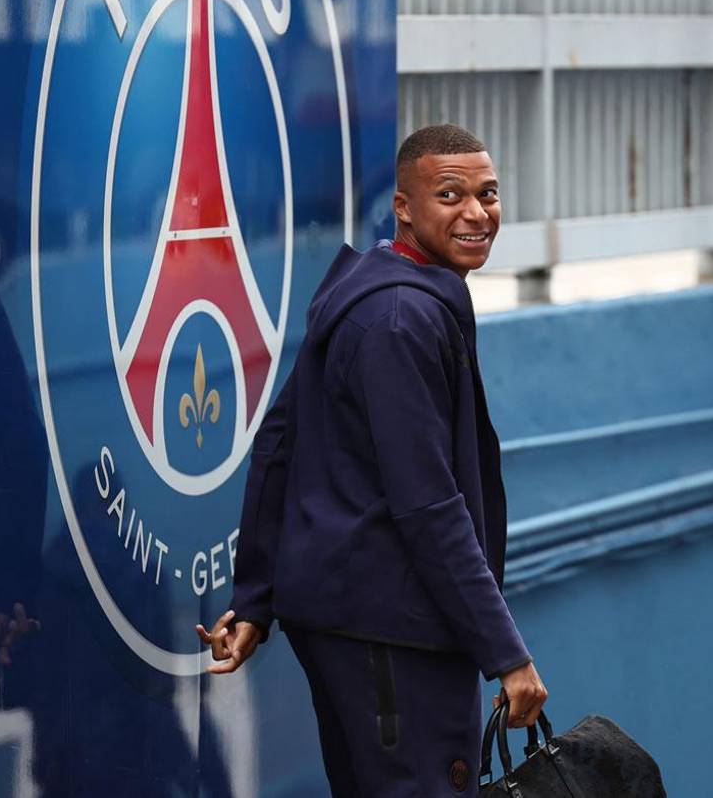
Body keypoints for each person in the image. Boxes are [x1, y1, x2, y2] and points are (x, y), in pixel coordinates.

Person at [196, 123, 547, 797]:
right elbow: (427, 504)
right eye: (451, 194)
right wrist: (506, 652)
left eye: (488, 193)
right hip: (394, 633)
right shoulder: (399, 322)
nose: (476, 212)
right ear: (404, 206)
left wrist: (255, 599)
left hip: (357, 622)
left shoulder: (383, 293)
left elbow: (279, 439)